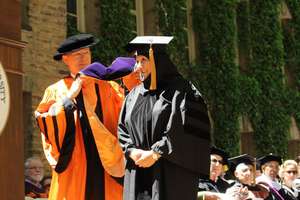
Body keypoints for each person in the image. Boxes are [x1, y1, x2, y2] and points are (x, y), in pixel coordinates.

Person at [35, 33, 136, 200]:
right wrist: (69, 98)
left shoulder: (110, 88)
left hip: (108, 168)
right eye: (77, 54)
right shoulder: (55, 90)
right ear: (65, 59)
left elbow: (128, 119)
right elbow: (45, 121)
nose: (83, 58)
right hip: (75, 167)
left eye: (86, 53)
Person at [117, 36, 211, 200]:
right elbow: (122, 128)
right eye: (136, 61)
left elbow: (186, 130)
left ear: (157, 60)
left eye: (143, 60)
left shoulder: (182, 90)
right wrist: (132, 151)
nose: (138, 67)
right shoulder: (133, 94)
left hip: (170, 173)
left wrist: (155, 153)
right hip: (137, 170)